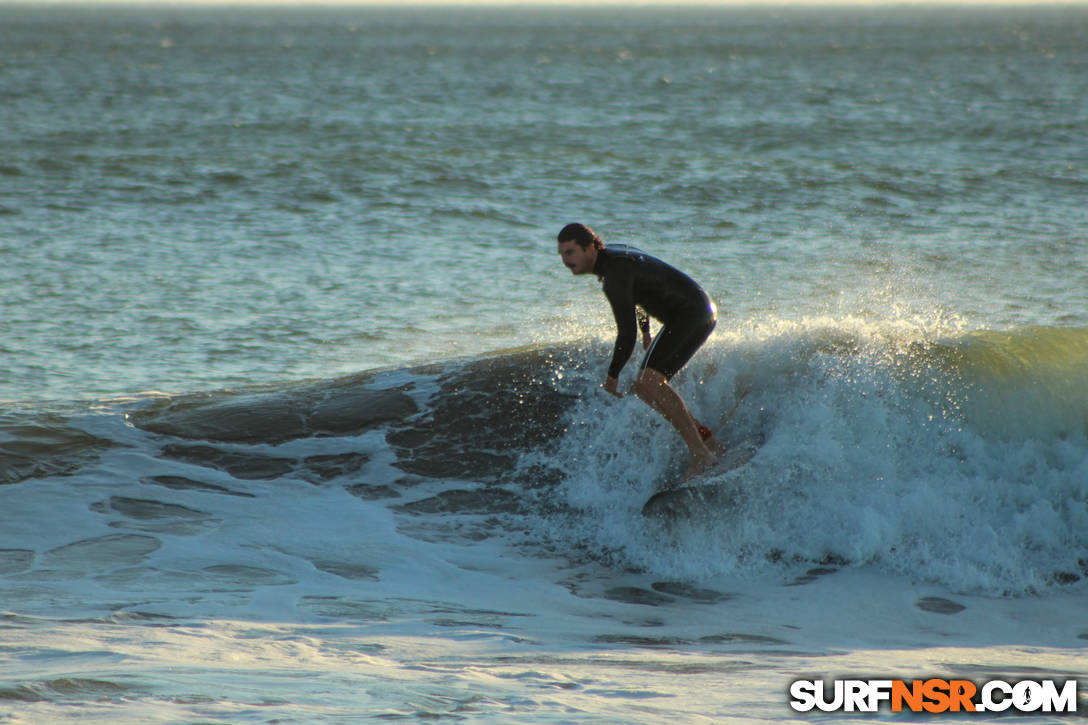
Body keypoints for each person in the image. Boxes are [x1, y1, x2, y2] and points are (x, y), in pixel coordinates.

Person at [556, 222, 721, 480]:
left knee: (649, 382)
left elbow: (625, 333)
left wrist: (612, 376)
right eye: (562, 254)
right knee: (645, 387)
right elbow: (637, 294)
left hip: (692, 314)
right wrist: (646, 330)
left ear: (589, 248)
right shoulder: (614, 260)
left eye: (570, 253)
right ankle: (707, 442)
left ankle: (702, 455)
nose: (565, 261)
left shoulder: (613, 276)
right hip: (695, 312)